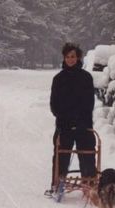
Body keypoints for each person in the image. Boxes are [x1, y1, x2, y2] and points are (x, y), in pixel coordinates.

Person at [45, 43, 96, 197]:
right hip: (64, 125)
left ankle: (89, 183)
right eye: (67, 57)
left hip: (83, 124)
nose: (70, 59)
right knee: (61, 154)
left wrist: (81, 122)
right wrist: (64, 119)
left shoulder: (86, 78)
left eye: (73, 56)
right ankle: (57, 183)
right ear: (64, 58)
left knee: (88, 153)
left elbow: (89, 104)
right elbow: (54, 104)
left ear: (78, 57)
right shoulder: (58, 79)